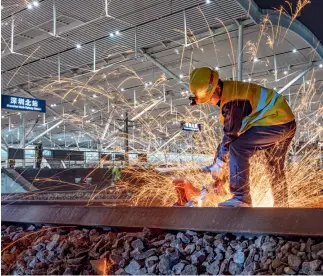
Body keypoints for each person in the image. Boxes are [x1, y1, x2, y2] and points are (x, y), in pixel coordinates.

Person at [189, 67, 296, 207]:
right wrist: (219, 164)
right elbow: (227, 140)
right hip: (284, 123)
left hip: (276, 123)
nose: (209, 102)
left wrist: (219, 164)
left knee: (238, 147)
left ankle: (241, 198)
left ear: (216, 89)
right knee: (273, 165)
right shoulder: (230, 91)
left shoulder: (233, 102)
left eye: (209, 99)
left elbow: (230, 136)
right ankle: (282, 205)